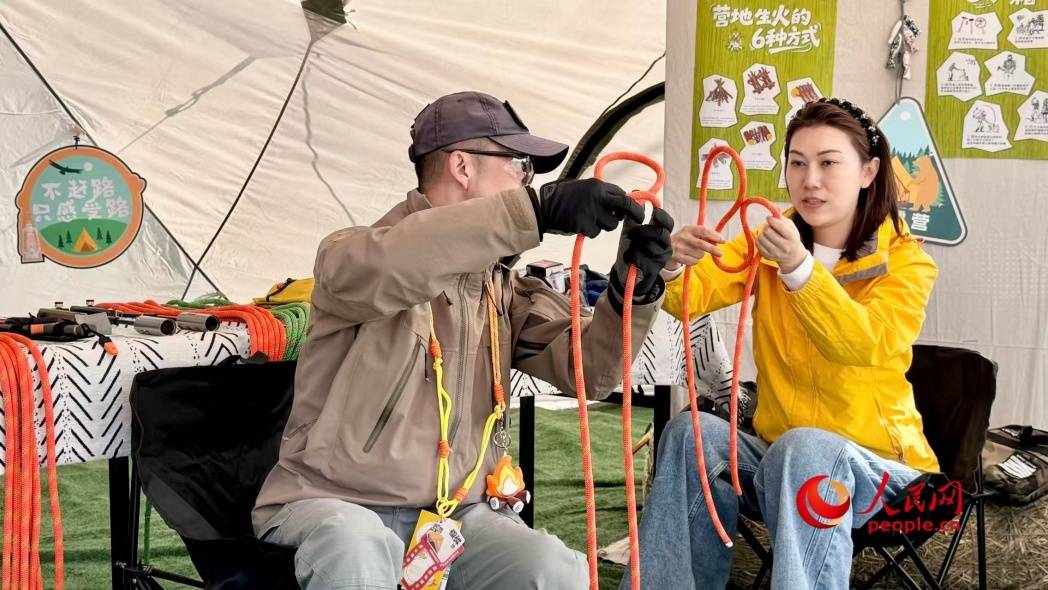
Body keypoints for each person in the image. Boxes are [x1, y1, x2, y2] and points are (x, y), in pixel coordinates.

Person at [253, 90, 673, 590]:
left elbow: (593, 373)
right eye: (519, 164)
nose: (526, 179)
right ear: (461, 166)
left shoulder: (498, 286)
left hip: (453, 519)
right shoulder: (352, 254)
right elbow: (402, 263)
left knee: (554, 570)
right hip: (334, 501)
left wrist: (632, 290)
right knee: (354, 543)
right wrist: (533, 213)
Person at [624, 98, 939, 589]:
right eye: (797, 162)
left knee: (806, 447)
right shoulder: (769, 241)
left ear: (868, 171)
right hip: (782, 461)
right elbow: (690, 295)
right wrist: (671, 264)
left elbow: (864, 344)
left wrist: (800, 270)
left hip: (887, 480)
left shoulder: (908, 262)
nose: (809, 179)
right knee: (691, 435)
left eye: (829, 162)